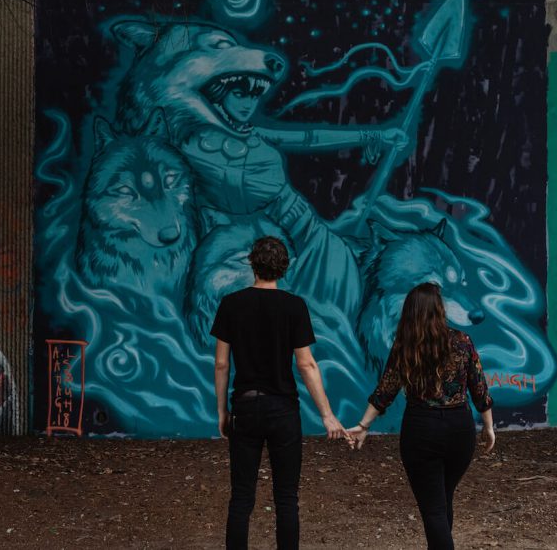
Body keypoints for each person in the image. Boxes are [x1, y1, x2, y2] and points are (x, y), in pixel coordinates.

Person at [212, 236, 348, 550]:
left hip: (245, 408)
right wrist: (327, 416)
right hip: (283, 410)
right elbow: (307, 364)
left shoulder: (231, 304)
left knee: (242, 497)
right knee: (286, 498)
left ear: (252, 264)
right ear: (283, 268)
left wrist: (222, 411)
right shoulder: (294, 306)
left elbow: (221, 364)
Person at [346, 282, 496, 550]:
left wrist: (363, 425)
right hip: (460, 430)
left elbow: (385, 390)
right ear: (439, 310)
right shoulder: (462, 342)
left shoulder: (406, 346)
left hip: (421, 430)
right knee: (442, 499)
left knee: (434, 509)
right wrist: (489, 427)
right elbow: (479, 389)